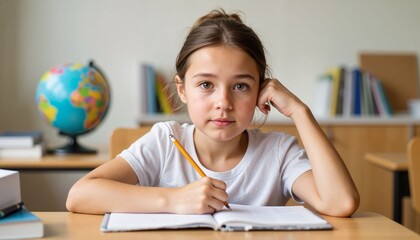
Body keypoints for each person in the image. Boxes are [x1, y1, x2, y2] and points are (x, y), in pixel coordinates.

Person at [66, 9, 359, 217]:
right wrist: (174, 199)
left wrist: (299, 111)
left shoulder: (279, 152)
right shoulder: (165, 141)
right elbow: (80, 195)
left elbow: (341, 203)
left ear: (261, 91)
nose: (224, 102)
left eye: (241, 86)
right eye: (206, 84)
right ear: (182, 89)